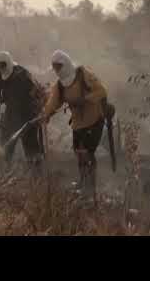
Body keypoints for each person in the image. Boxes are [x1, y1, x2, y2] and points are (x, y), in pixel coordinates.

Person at [42, 50, 108, 201]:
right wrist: (45, 115)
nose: (57, 70)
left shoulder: (83, 75)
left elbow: (102, 91)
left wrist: (85, 99)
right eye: (55, 67)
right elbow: (53, 102)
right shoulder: (59, 85)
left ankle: (91, 188)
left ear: (65, 64)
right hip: (78, 123)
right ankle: (83, 182)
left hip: (94, 119)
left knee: (87, 153)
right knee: (78, 152)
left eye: (59, 66)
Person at [0, 51, 45, 173]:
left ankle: (36, 175)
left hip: (28, 114)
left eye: (3, 65)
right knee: (5, 141)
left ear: (9, 63)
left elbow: (36, 92)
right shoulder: (0, 75)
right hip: (11, 114)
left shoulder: (23, 75)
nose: (1, 68)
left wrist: (38, 109)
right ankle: (5, 171)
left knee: (30, 146)